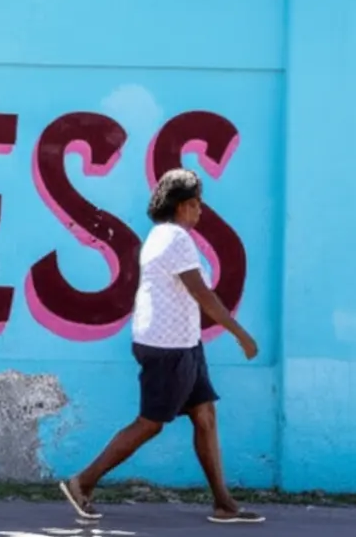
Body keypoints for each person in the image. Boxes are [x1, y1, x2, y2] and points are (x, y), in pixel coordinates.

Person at [59, 168, 264, 525]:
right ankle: (82, 482)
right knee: (150, 423)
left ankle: (223, 504)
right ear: (184, 205)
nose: (201, 211)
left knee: (204, 416)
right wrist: (240, 333)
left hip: (183, 344)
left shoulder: (160, 236)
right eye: (198, 204)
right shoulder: (176, 239)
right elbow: (202, 294)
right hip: (168, 347)